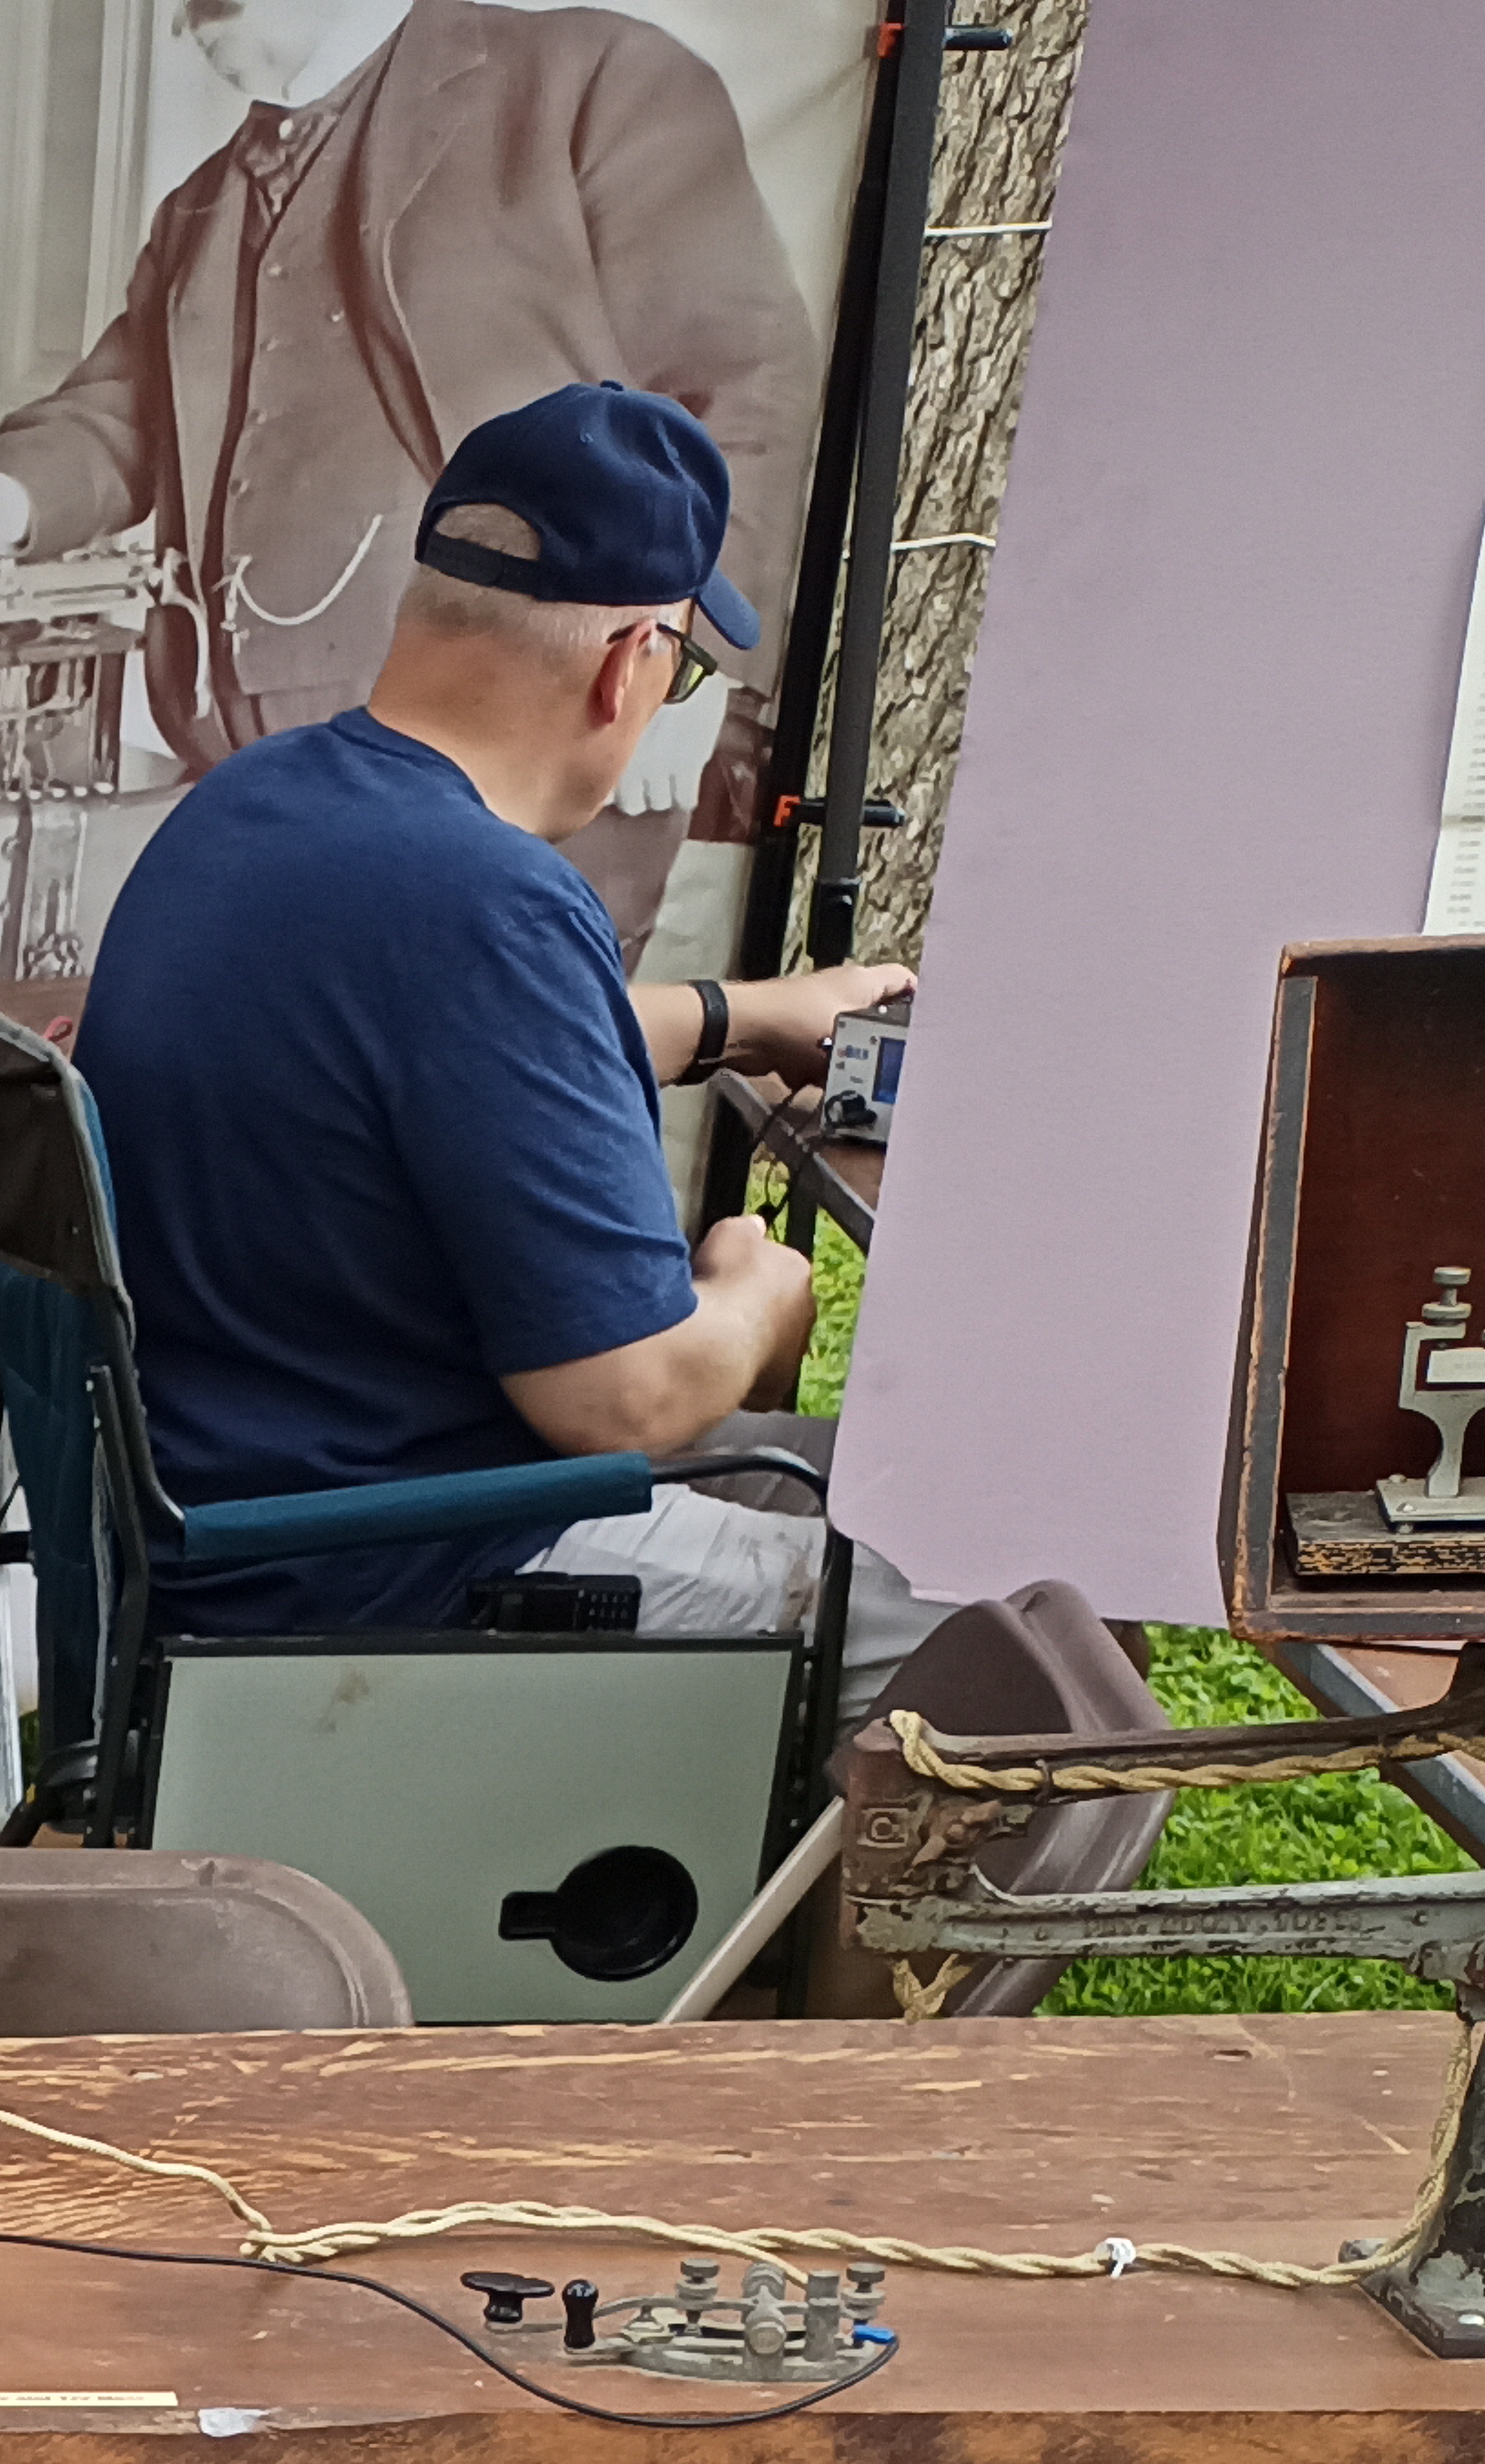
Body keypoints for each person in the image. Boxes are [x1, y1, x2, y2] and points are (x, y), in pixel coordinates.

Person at [70, 385, 920, 1665]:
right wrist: (755, 1303)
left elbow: (424, 1065)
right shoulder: (493, 906)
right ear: (631, 663)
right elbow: (623, 1400)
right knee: (994, 1610)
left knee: (889, 1503)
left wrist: (737, 1017)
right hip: (386, 1570)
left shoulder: (250, 809)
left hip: (221, 1507)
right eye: (681, 669)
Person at [0, 0, 809, 930]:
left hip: (520, 779)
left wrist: (690, 669)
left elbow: (746, 387)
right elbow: (115, 416)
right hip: (260, 792)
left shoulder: (590, 79)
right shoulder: (196, 207)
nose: (171, 21)